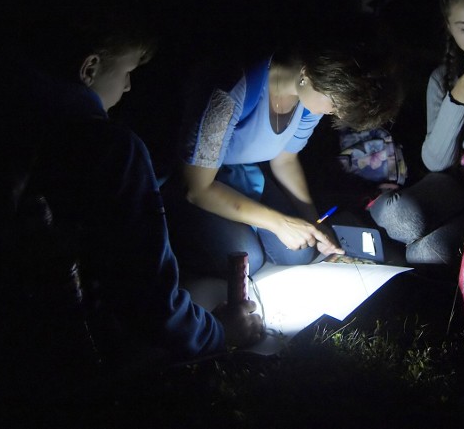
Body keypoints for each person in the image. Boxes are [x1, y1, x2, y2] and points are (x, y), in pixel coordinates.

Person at [0, 13, 264, 414]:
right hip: (68, 365)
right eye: (128, 71)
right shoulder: (109, 148)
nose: (128, 85)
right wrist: (221, 332)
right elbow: (150, 300)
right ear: (89, 68)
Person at [165, 34, 402, 277]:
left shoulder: (309, 99)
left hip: (245, 176)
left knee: (298, 250)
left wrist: (314, 223)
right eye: (337, 104)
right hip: (198, 183)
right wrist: (280, 223)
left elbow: (285, 160)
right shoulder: (233, 88)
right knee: (247, 257)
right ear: (309, 73)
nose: (336, 114)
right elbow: (197, 189)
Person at [368, 0, 464, 265]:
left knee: (426, 252)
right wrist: (457, 101)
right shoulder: (443, 78)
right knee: (399, 214)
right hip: (455, 184)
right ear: (450, 29)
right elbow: (435, 162)